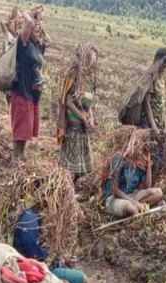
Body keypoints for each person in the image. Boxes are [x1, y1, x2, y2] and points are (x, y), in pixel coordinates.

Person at [12, 206, 104, 283]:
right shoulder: (30, 222)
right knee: (83, 280)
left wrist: (63, 261)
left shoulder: (34, 215)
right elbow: (40, 261)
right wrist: (59, 262)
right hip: (34, 272)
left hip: (37, 266)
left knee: (76, 274)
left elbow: (42, 252)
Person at [58, 42, 99, 186]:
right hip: (74, 127)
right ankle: (66, 191)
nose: (90, 66)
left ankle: (71, 190)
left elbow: (90, 105)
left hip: (83, 127)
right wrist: (82, 117)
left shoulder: (88, 79)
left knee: (80, 168)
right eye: (89, 62)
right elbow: (67, 101)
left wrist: (91, 119)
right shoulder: (74, 75)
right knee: (69, 167)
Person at [10, 10, 45, 163]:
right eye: (35, 31)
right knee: (20, 125)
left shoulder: (35, 46)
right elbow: (29, 23)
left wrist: (41, 28)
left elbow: (49, 40)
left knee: (27, 126)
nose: (38, 33)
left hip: (32, 93)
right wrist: (25, 13)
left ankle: (21, 154)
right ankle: (14, 156)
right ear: (28, 31)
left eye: (38, 31)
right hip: (21, 90)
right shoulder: (22, 43)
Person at [102, 141, 164, 219]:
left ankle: (139, 207)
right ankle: (136, 208)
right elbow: (114, 189)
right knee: (132, 208)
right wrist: (136, 203)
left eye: (142, 150)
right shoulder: (118, 159)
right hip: (114, 199)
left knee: (158, 193)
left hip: (131, 195)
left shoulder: (138, 164)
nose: (141, 153)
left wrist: (148, 166)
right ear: (131, 147)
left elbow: (148, 187)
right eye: (138, 149)